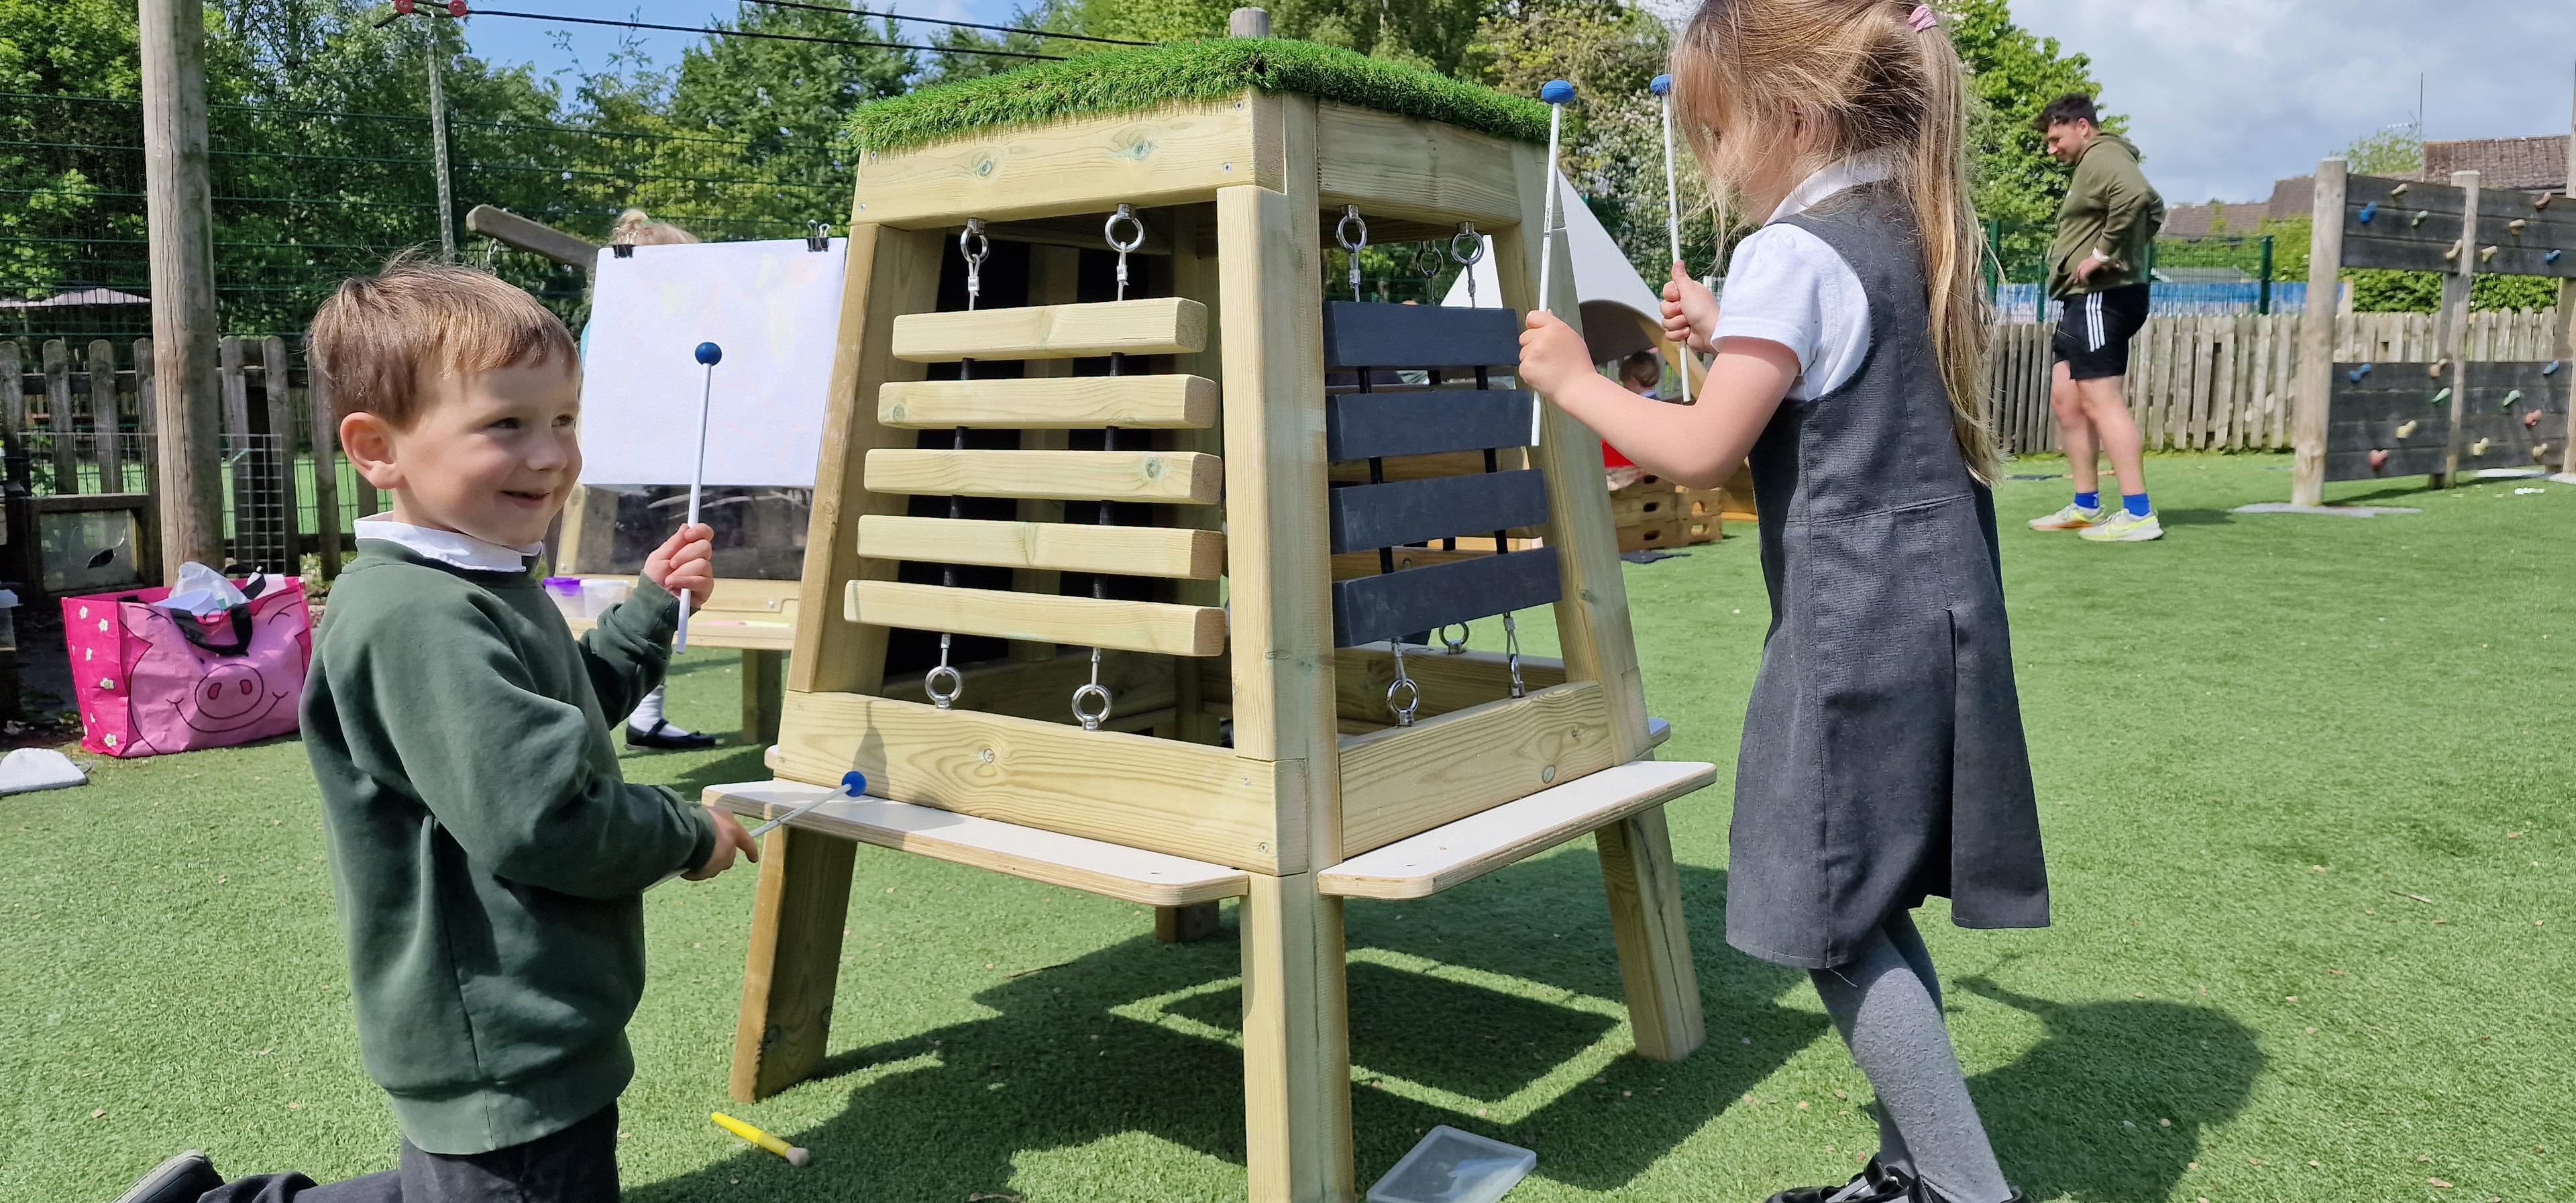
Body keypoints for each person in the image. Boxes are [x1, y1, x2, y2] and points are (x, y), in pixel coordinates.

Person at [1517, 3, 2046, 1202]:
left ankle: (1967, 1192)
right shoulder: (1904, 221)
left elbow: (1703, 449)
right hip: (1933, 607)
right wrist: (1720, 328)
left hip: (1853, 622)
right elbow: (1833, 380)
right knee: (1859, 891)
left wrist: (1574, 380)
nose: (1712, 161)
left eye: (1715, 132)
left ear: (1792, 116)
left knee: (1829, 914)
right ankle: (1919, 1173)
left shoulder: (1796, 252)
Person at [112, 257, 762, 1203]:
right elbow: (545, 818)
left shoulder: (483, 576)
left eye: (563, 419)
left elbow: (562, 716)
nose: (550, 455)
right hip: (496, 1030)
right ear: (379, 448)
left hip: (523, 1017)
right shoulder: (422, 615)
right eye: (506, 424)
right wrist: (687, 832)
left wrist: (651, 607)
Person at [596, 209, 721, 749]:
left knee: (655, 592)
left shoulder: (618, 324)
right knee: (645, 592)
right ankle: (639, 712)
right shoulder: (630, 332)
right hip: (633, 484)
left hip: (640, 479)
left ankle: (647, 716)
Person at [2025, 91, 2167, 542]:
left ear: (2082, 127)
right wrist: (2129, 248)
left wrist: (2106, 253)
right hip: (2082, 299)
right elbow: (2156, 209)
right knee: (2066, 399)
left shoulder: (2103, 155)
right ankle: (2086, 505)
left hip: (2101, 297)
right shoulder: (2098, 162)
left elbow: (2138, 196)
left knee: (2102, 402)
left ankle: (2139, 513)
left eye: (2055, 137)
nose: (2052, 149)